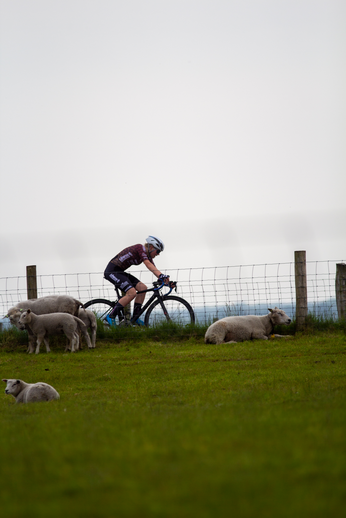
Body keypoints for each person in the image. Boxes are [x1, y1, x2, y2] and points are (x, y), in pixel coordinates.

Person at [104, 236, 169, 323]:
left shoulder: (147, 255)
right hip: (111, 271)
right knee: (132, 293)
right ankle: (110, 317)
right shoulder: (140, 248)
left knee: (143, 288)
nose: (158, 254)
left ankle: (135, 318)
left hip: (119, 272)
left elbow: (153, 268)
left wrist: (165, 280)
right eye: (158, 251)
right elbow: (148, 264)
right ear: (151, 247)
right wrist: (161, 276)